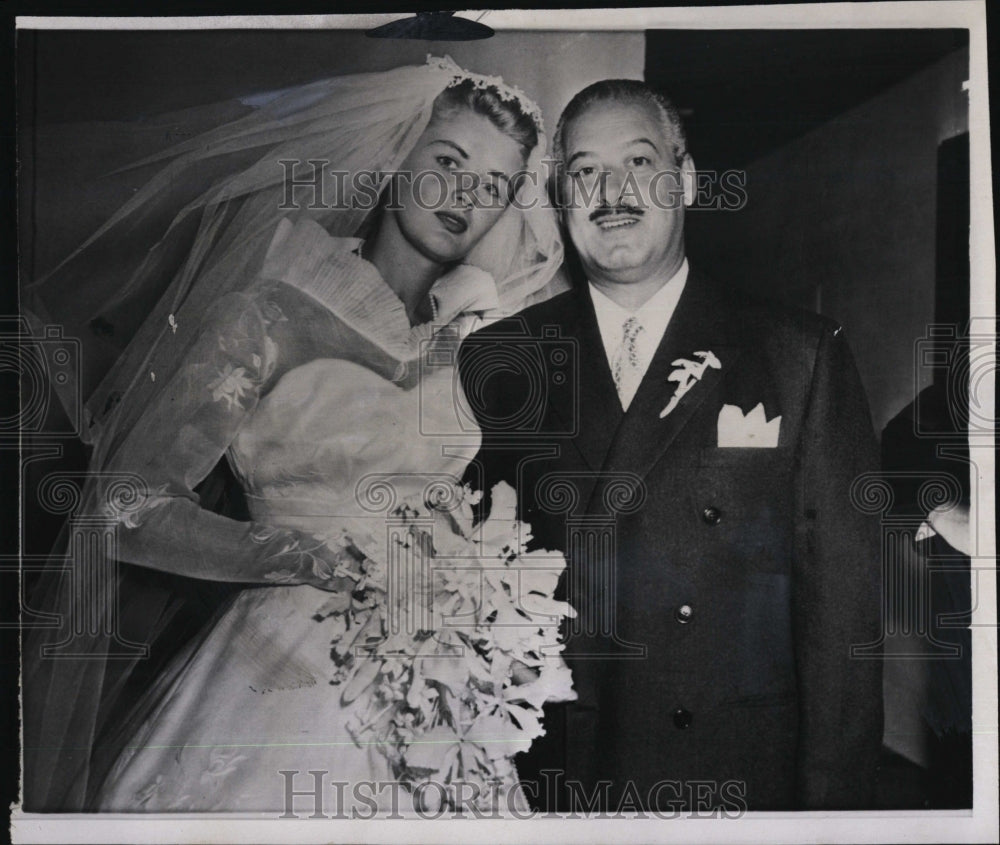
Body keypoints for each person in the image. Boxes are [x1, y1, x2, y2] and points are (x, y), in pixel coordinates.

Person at [22, 57, 570, 813]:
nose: (464, 197)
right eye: (448, 161)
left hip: (434, 688)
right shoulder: (270, 311)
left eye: (493, 185)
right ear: (395, 154)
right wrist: (302, 554)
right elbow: (128, 507)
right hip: (276, 670)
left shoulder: (472, 343)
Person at [460, 79, 884, 811]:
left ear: (684, 180)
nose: (611, 191)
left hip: (735, 773)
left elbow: (842, 620)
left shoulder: (798, 354)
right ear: (562, 196)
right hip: (560, 773)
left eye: (638, 162)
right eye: (585, 171)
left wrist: (830, 818)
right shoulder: (502, 360)